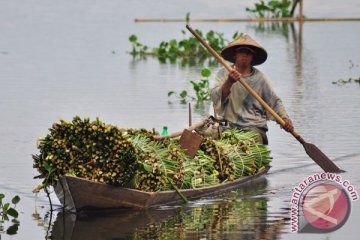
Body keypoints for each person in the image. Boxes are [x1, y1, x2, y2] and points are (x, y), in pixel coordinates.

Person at [210, 35, 294, 144]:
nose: (245, 55)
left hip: (254, 128)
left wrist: (285, 119)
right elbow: (215, 97)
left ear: (252, 57)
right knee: (211, 139)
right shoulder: (224, 73)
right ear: (235, 55)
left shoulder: (260, 79)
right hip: (230, 126)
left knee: (247, 144)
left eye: (248, 52)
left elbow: (275, 102)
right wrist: (229, 82)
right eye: (241, 51)